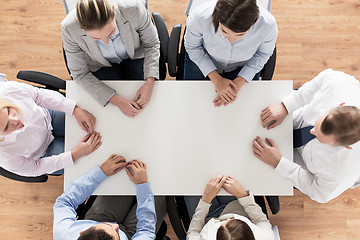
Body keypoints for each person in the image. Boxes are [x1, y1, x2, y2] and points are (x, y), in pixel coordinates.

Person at [252, 68, 360, 203]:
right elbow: (319, 81)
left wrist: (279, 163)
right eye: (316, 124)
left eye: (321, 139)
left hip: (298, 163)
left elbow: (317, 192)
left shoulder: (341, 172)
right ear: (339, 105)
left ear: (347, 147)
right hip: (292, 119)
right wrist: (286, 106)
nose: (312, 131)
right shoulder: (338, 84)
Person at [61, 0, 160, 118]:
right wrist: (116, 100)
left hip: (134, 54)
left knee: (152, 105)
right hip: (99, 64)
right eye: (96, 38)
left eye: (111, 33)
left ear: (113, 10)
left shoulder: (134, 9)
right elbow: (79, 74)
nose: (106, 41)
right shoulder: (69, 28)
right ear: (79, 22)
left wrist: (149, 82)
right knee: (111, 113)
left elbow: (152, 44)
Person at [183, 0, 278, 107]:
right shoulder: (199, 17)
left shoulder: (268, 25)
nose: (231, 41)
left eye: (240, 35)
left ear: (254, 23)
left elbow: (262, 54)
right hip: (203, 58)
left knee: (242, 107)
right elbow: (192, 47)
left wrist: (240, 81)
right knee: (192, 103)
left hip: (243, 66)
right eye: (224, 31)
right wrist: (216, 78)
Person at [0, 78, 101, 177]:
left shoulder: (7, 90)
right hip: (43, 152)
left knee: (97, 123)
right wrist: (74, 154)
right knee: (91, 162)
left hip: (47, 116)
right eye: (6, 126)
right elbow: (35, 168)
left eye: (9, 110)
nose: (16, 120)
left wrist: (74, 109)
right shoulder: (3, 154)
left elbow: (38, 95)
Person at [53, 155, 166, 240]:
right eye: (116, 231)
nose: (116, 225)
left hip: (98, 218)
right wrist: (142, 185)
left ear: (82, 232)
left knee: (122, 173)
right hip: (130, 235)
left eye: (109, 226)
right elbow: (146, 231)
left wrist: (101, 172)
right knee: (158, 189)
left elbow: (64, 202)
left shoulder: (64, 232)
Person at [186, 175, 274, 240]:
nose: (227, 219)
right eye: (234, 220)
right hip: (237, 206)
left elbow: (193, 233)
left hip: (207, 217)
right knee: (227, 172)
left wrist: (205, 200)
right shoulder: (264, 237)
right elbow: (260, 220)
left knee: (189, 179)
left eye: (221, 226)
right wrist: (242, 195)